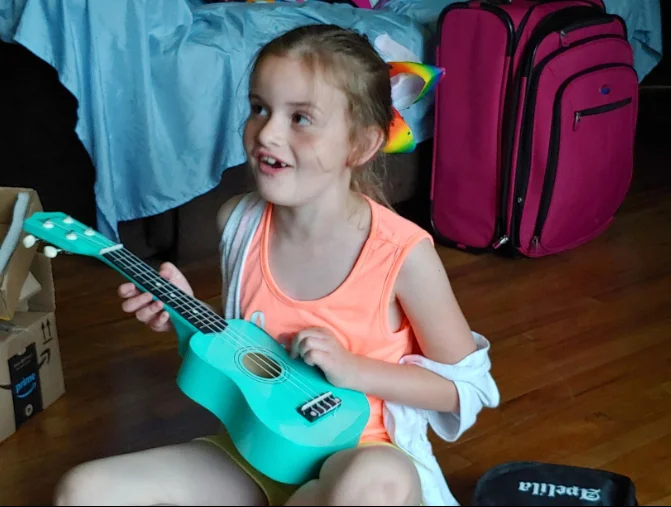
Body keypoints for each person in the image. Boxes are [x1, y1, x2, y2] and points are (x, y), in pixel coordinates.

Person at [54, 24, 493, 506]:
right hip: (258, 451)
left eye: (300, 118)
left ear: (362, 144)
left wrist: (353, 370)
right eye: (259, 108)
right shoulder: (238, 224)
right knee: (84, 490)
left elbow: (464, 390)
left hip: (363, 457)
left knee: (375, 483)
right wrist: (184, 316)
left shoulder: (402, 254)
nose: (267, 132)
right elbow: (248, 352)